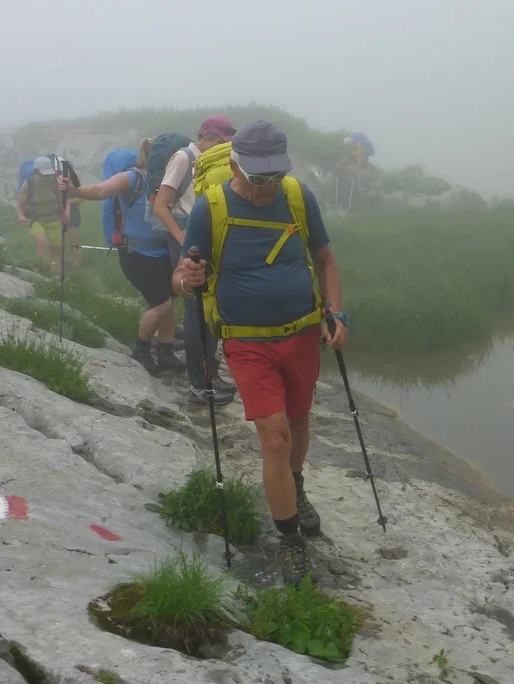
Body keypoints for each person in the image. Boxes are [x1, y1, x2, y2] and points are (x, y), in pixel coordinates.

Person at [173, 119, 348, 585]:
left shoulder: (298, 196)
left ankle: (296, 486)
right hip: (246, 340)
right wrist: (187, 279)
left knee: (298, 421)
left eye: (275, 177)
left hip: (302, 333)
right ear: (235, 166)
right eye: (258, 178)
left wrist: (336, 313)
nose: (268, 188)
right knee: (274, 437)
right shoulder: (210, 208)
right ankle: (290, 541)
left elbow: (326, 259)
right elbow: (183, 277)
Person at [58, 139, 185, 375]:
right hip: (137, 254)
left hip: (164, 252)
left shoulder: (170, 179)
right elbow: (102, 190)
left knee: (170, 301)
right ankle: (141, 349)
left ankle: (166, 351)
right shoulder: (133, 177)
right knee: (162, 304)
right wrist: (74, 191)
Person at [151, 116, 238, 406]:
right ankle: (200, 386)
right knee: (196, 309)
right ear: (204, 136)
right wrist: (183, 240)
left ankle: (210, 373)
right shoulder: (183, 158)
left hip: (206, 236)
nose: (223, 147)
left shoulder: (218, 162)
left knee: (210, 307)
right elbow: (161, 205)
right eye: (218, 141)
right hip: (187, 236)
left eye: (226, 142)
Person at [16, 156, 71, 267]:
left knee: (56, 251)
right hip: (35, 219)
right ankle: (40, 269)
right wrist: (21, 216)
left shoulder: (55, 182)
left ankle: (53, 271)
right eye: (43, 175)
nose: (47, 177)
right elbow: (20, 205)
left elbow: (64, 200)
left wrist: (67, 211)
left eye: (48, 174)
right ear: (36, 172)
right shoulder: (28, 184)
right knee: (42, 242)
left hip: (54, 219)